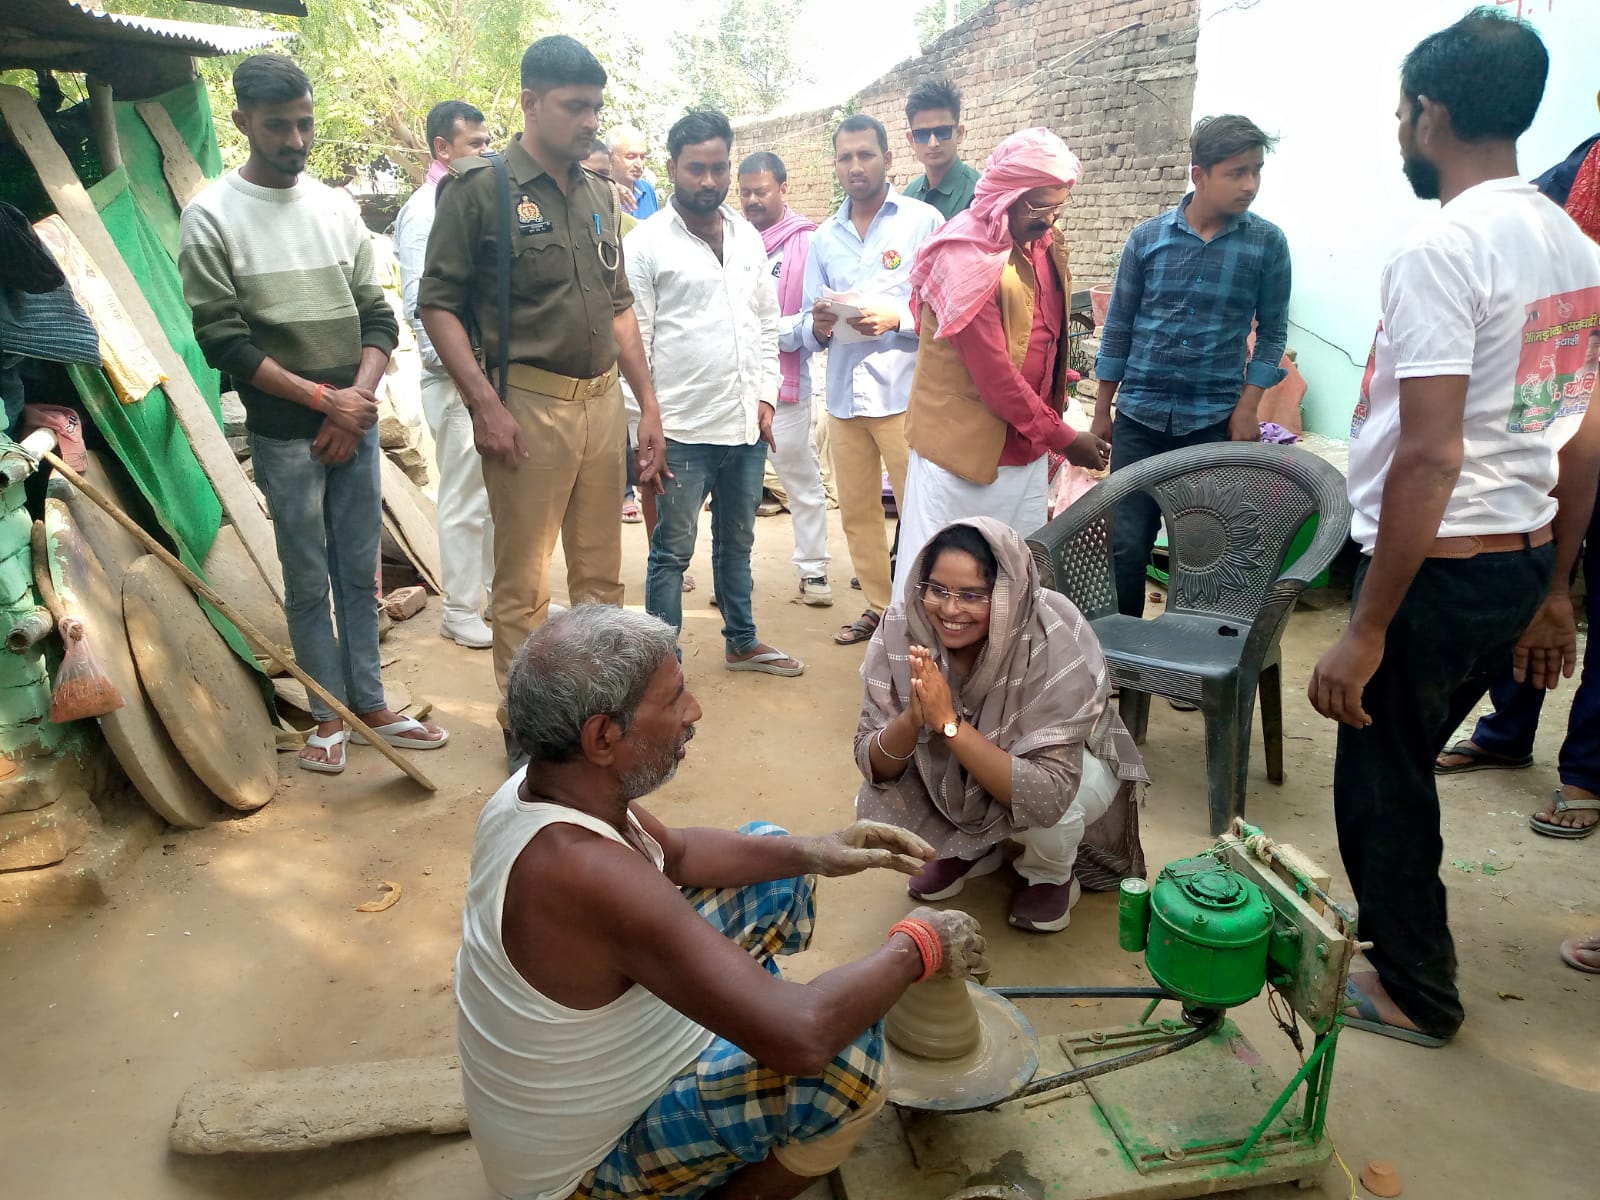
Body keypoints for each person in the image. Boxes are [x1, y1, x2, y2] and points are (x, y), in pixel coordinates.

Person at [457, 603, 989, 1200]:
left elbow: (679, 854)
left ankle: (743, 1014)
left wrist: (816, 849)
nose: (695, 712)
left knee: (771, 859)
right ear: (603, 737)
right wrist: (920, 944)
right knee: (843, 1063)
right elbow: (802, 1036)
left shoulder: (545, 789)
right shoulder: (585, 871)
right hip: (582, 1175)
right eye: (674, 698)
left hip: (605, 1068)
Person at [1308, 8, 1600, 1047]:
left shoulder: (1444, 246)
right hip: (1516, 561)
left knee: (1379, 788)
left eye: (1400, 112)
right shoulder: (1571, 242)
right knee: (1405, 762)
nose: (1399, 130)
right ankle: (1400, 930)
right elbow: (1579, 435)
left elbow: (1429, 454)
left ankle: (1414, 990)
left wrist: (1365, 623)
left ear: (1429, 114)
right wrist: (1557, 588)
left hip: (1436, 569)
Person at [179, 54, 447, 774]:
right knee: (307, 580)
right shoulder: (210, 215)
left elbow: (379, 316)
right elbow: (223, 341)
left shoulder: (336, 209)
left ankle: (372, 704)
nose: (295, 139)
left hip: (350, 426)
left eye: (304, 123)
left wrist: (353, 405)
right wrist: (324, 401)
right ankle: (328, 715)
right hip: (285, 432)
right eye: (277, 126)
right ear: (241, 123)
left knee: (360, 575)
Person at [419, 35, 667, 773]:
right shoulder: (479, 188)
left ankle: (596, 721)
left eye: (595, 106)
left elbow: (620, 310)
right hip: (525, 404)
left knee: (600, 581)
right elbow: (436, 305)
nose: (589, 120)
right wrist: (485, 404)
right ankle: (527, 731)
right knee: (523, 585)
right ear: (530, 102)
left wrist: (645, 406)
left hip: (599, 407)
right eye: (573, 106)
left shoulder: (599, 196)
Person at [855, 518, 1145, 932]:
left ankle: (1049, 873)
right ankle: (971, 850)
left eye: (973, 595)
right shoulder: (902, 628)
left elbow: (1049, 794)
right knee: (885, 787)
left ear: (1007, 593)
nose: (950, 610)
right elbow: (872, 764)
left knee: (1057, 808)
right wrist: (913, 719)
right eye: (938, 589)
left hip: (1064, 772)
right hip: (960, 771)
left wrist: (949, 724)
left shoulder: (1049, 632)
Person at [1432, 136, 1600, 842]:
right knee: (1536, 586)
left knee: (1554, 587)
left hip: (1575, 403)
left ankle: (1587, 769)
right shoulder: (1580, 170)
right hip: (1559, 400)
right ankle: (1508, 728)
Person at [1092, 114, 1291, 617]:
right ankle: (1123, 651)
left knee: (1200, 549)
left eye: (1256, 171)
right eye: (1236, 172)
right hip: (1140, 416)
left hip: (1213, 421)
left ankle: (1188, 657)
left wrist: (1249, 407)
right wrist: (1102, 411)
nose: (1250, 185)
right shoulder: (1147, 239)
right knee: (1127, 543)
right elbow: (1118, 329)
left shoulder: (1267, 244)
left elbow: (1272, 333)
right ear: (1199, 175)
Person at [626, 111, 802, 678]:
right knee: (671, 553)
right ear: (672, 167)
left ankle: (742, 641)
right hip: (679, 428)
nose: (709, 180)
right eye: (696, 169)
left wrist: (767, 397)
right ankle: (662, 664)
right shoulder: (647, 244)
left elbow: (767, 324)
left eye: (718, 168)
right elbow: (636, 340)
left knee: (737, 542)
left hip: (745, 424)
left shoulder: (748, 236)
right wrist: (642, 424)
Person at [897, 128, 1109, 594]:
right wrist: (1065, 436)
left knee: (1008, 578)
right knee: (946, 585)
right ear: (1007, 196)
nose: (1051, 220)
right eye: (1040, 207)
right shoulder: (966, 256)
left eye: (1059, 206)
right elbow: (996, 379)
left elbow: (1046, 334)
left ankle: (999, 668)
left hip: (1025, 449)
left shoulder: (1044, 242)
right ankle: (926, 668)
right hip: (961, 457)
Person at [802, 114, 942, 646]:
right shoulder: (824, 238)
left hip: (905, 395)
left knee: (920, 513)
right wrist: (816, 325)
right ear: (835, 165)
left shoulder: (921, 222)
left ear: (887, 157)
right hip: (843, 398)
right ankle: (882, 612)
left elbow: (941, 307)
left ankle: (924, 617)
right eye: (845, 157)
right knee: (858, 514)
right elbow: (802, 319)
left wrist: (898, 320)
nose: (855, 166)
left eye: (865, 154)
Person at [395, 100, 495, 649]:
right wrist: (469, 379)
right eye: (475, 145)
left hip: (481, 381)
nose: (486, 153)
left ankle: (501, 596)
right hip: (457, 381)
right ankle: (460, 609)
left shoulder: (469, 201)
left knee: (494, 495)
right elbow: (421, 307)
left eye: (487, 142)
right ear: (442, 149)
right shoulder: (427, 210)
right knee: (464, 497)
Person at [738, 150, 833, 607]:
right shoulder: (731, 238)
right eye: (746, 192)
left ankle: (813, 570)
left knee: (800, 476)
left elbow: (814, 321)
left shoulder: (807, 243)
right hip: (735, 384)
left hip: (787, 386)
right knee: (735, 485)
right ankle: (735, 575)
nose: (753, 199)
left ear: (783, 188)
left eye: (762, 190)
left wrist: (761, 328)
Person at [901, 79, 979, 221]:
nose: (933, 143)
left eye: (942, 132)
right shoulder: (910, 195)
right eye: (922, 135)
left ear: (959, 133)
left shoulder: (979, 194)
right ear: (911, 139)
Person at [609, 125, 660, 217]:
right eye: (631, 157)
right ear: (611, 157)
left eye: (643, 157)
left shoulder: (647, 190)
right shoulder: (600, 192)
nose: (639, 164)